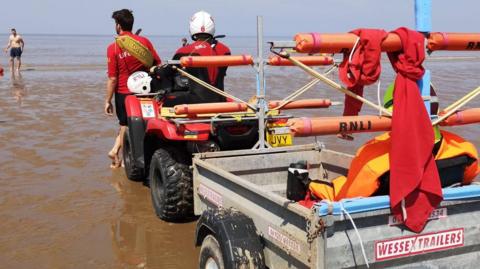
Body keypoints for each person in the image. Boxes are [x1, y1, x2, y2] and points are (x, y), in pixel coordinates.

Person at [308, 85, 480, 201]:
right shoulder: (465, 150)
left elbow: (346, 197)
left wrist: (311, 185)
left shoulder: (374, 159)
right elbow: (468, 178)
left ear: (389, 112)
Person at [105, 9, 161, 168]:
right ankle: (117, 152)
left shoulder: (113, 48)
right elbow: (157, 64)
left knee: (125, 124)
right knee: (139, 125)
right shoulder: (144, 42)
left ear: (118, 26)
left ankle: (122, 159)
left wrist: (107, 100)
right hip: (144, 92)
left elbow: (112, 78)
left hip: (123, 93)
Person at [170, 10, 231, 104]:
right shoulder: (226, 50)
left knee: (165, 102)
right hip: (220, 100)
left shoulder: (184, 51)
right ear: (212, 28)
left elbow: (169, 72)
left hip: (196, 101)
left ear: (192, 28)